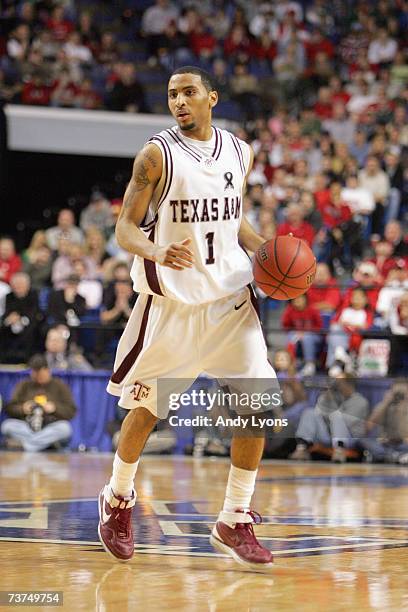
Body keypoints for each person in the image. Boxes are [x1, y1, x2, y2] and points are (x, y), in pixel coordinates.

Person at [98, 66, 279, 569]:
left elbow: (232, 218)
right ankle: (116, 500)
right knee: (148, 413)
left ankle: (234, 518)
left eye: (189, 93)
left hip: (230, 303)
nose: (180, 101)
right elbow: (124, 229)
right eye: (173, 94)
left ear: (211, 98)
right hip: (174, 306)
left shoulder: (240, 151)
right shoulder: (156, 155)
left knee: (257, 407)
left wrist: (267, 252)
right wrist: (156, 251)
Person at [1, 354, 76, 452]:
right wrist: (23, 408)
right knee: (6, 426)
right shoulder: (24, 385)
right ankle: (45, 444)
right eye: (34, 373)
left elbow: (71, 411)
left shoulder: (60, 386)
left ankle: (27, 446)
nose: (37, 377)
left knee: (66, 428)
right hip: (27, 426)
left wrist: (55, 408)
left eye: (40, 374)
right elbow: (9, 408)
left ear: (47, 370)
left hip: (50, 426)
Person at [290, 374, 369, 462]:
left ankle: (339, 451)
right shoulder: (331, 397)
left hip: (350, 438)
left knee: (337, 416)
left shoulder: (360, 401)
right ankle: (301, 449)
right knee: (309, 412)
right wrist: (327, 399)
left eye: (339, 384)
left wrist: (333, 406)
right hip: (329, 435)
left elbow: (346, 422)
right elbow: (319, 414)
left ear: (349, 384)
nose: (337, 386)